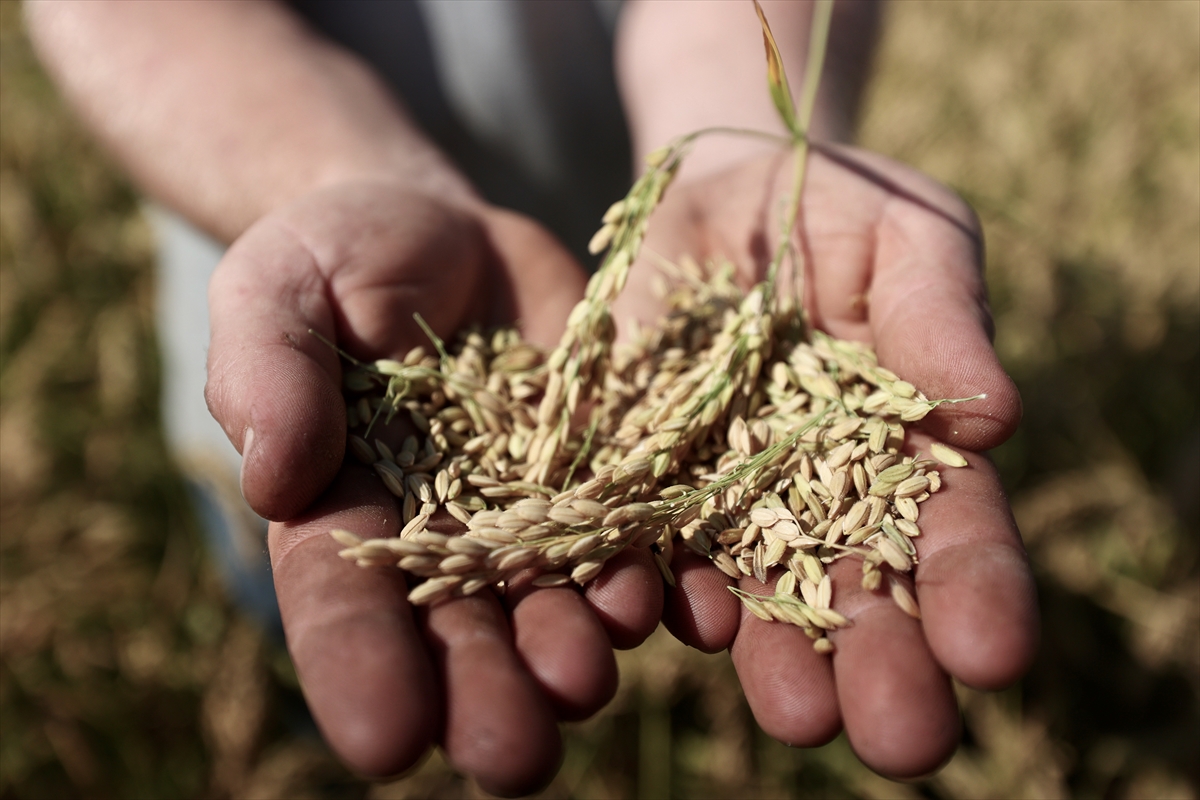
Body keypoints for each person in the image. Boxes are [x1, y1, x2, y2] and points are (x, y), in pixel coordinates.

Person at [27, 1, 1038, 795]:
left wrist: (741, 146)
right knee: (323, 642)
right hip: (331, 317)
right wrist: (338, 170)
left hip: (661, 254)